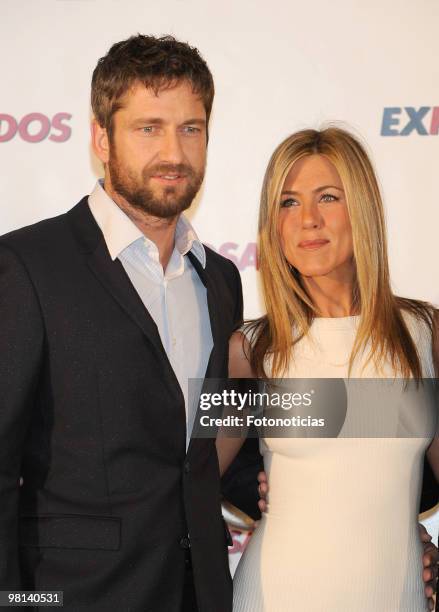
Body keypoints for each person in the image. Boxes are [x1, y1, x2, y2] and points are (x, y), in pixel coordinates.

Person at [0, 34, 244, 611]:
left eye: (191, 128)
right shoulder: (27, 268)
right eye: (148, 128)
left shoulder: (222, 280)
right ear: (100, 138)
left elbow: (209, 445)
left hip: (201, 593)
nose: (174, 153)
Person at [216, 127, 439, 611]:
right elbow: (188, 478)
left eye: (328, 197)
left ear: (362, 208)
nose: (308, 220)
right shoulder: (251, 349)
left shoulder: (425, 334)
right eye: (288, 203)